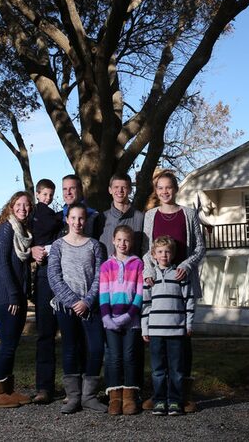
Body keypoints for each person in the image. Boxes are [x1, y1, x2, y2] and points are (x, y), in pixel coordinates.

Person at [141, 169, 205, 412]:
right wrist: (149, 271)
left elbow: (199, 247)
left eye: (168, 187)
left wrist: (187, 266)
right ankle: (159, 395)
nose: (164, 191)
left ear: (176, 189)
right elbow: (147, 250)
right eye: (160, 188)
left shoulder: (188, 214)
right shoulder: (150, 215)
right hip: (158, 286)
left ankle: (181, 396)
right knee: (159, 351)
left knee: (182, 345)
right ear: (156, 192)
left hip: (182, 282)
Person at [47, 202, 107, 413]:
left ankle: (89, 396)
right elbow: (54, 277)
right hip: (66, 307)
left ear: (86, 220)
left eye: (81, 218)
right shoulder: (58, 246)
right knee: (70, 350)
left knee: (96, 348)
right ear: (67, 220)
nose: (77, 222)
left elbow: (100, 277)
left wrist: (87, 301)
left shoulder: (95, 245)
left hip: (91, 307)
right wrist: (73, 302)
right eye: (73, 218)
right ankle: (73, 396)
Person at [0, 191, 35, 407]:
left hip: (18, 297)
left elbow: (22, 268)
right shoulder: (6, 229)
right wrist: (14, 296)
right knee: (7, 345)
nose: (23, 208)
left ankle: (8, 390)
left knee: (12, 345)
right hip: (6, 298)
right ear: (11, 206)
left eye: (26, 205)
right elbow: (3, 265)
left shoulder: (23, 232)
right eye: (19, 204)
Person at [141, 235, 194, 416]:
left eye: (167, 252)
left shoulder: (180, 275)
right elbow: (145, 305)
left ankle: (175, 401)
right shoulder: (150, 277)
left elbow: (189, 301)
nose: (164, 255)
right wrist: (144, 328)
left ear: (173, 254)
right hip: (156, 331)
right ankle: (159, 400)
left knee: (176, 369)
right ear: (154, 254)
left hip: (176, 330)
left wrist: (188, 324)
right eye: (160, 252)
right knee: (157, 369)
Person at [99, 225, 145, 415]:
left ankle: (129, 397)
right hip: (110, 321)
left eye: (126, 240)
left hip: (131, 321)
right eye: (119, 240)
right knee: (114, 358)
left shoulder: (138, 264)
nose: (122, 244)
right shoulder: (106, 266)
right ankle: (115, 397)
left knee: (129, 357)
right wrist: (106, 317)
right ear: (113, 241)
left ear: (131, 242)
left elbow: (140, 294)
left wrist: (129, 315)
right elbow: (103, 295)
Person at [29, 178, 62, 404]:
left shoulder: (62, 216)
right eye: (44, 194)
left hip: (68, 276)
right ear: (38, 194)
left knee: (72, 334)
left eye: (51, 194)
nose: (48, 198)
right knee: (45, 334)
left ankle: (76, 386)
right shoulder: (37, 215)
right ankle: (44, 386)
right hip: (43, 275)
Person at [97, 173, 144, 257]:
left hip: (133, 268)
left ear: (130, 190)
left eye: (124, 187)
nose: (120, 190)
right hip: (106, 268)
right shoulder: (101, 218)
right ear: (110, 190)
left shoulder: (140, 218)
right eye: (116, 187)